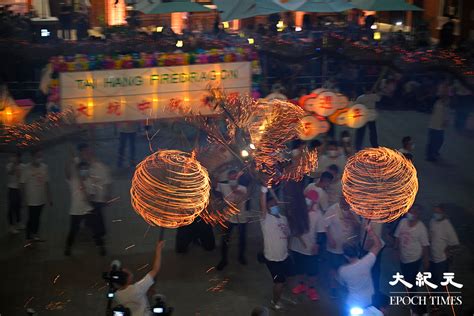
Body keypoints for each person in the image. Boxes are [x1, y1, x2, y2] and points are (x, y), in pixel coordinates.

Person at [289, 181, 326, 301]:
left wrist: (317, 244)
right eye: (307, 199)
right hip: (296, 246)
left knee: (312, 271)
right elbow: (292, 225)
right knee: (299, 268)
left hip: (310, 248)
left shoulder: (318, 215)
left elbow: (321, 232)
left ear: (315, 202)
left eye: (311, 200)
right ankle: (301, 285)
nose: (308, 201)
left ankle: (311, 288)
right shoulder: (298, 210)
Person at [64, 158, 106, 256]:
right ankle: (68, 247)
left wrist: (87, 194)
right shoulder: (74, 180)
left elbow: (92, 195)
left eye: (86, 169)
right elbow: (66, 173)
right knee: (73, 230)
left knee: (95, 228)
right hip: (75, 210)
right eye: (82, 169)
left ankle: (101, 247)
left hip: (88, 209)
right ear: (79, 171)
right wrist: (69, 161)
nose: (84, 171)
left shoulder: (90, 181)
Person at [260, 187, 291, 310]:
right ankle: (275, 302)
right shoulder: (266, 218)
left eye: (275, 203)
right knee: (279, 282)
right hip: (273, 258)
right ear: (267, 207)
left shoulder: (283, 218)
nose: (273, 205)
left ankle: (280, 295)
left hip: (284, 255)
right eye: (270, 204)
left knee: (285, 279)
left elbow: (287, 235)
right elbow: (262, 202)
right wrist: (264, 189)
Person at [394, 205, 429, 315]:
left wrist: (425, 260)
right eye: (410, 211)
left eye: (414, 212)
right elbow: (398, 237)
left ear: (418, 215)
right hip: (403, 258)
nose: (411, 213)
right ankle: (409, 298)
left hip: (414, 259)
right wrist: (396, 249)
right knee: (407, 279)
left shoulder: (421, 228)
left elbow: (425, 245)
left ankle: (412, 303)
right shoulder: (403, 222)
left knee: (411, 281)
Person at [114, 240, 165, 316]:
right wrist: (158, 250)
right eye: (127, 272)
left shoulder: (117, 295)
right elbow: (155, 269)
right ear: (128, 279)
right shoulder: (137, 288)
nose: (128, 270)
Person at [338, 225, 383, 312]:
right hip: (369, 300)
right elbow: (378, 245)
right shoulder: (367, 261)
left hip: (353, 303)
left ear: (346, 256)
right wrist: (371, 232)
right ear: (357, 251)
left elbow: (342, 284)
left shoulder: (342, 270)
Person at [325, 196, 360, 298]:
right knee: (334, 268)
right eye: (344, 202)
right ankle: (333, 288)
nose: (346, 204)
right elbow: (325, 225)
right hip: (335, 246)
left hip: (348, 247)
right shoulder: (333, 209)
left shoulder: (353, 210)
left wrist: (352, 218)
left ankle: (345, 285)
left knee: (346, 268)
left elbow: (359, 227)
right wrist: (330, 238)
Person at [77, 143, 112, 245]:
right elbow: (83, 180)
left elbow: (108, 181)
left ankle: (99, 236)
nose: (86, 154)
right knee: (94, 216)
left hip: (98, 198)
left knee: (96, 216)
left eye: (87, 152)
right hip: (89, 197)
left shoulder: (100, 166)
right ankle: (97, 234)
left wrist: (107, 195)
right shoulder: (83, 167)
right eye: (84, 153)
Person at [215, 170, 249, 270]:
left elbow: (247, 201)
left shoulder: (243, 188)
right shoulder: (223, 186)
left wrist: (248, 215)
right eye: (231, 178)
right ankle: (223, 260)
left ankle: (241, 256)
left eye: (235, 177)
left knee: (242, 238)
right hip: (228, 218)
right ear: (228, 178)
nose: (233, 179)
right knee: (225, 239)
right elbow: (215, 190)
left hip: (241, 217)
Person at [21, 148, 52, 242]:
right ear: (32, 157)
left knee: (37, 217)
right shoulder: (26, 168)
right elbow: (22, 184)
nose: (39, 158)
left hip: (41, 198)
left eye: (40, 156)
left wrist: (49, 197)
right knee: (31, 218)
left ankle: (35, 234)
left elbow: (46, 183)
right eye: (38, 156)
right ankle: (28, 238)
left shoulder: (44, 167)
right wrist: (24, 198)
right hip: (31, 199)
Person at [429, 204, 460, 285]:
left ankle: (440, 296)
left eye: (438, 212)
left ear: (442, 212)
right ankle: (433, 295)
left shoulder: (447, 225)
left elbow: (455, 243)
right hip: (432, 258)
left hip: (441, 260)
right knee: (432, 280)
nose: (436, 214)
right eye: (434, 212)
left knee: (440, 282)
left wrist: (446, 251)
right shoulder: (432, 221)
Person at [426, 82, 450, 162]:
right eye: (442, 89)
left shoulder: (445, 101)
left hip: (440, 125)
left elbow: (446, 112)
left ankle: (434, 152)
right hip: (434, 125)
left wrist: (446, 120)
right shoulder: (436, 100)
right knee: (433, 141)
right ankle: (430, 155)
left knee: (439, 140)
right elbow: (431, 109)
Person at [355, 86, 381, 151]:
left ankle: (358, 146)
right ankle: (374, 145)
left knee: (363, 132)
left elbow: (356, 106)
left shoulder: (360, 98)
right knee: (372, 132)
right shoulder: (374, 96)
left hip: (366, 115)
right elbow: (379, 98)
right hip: (370, 115)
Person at [6, 152, 24, 234]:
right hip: (12, 189)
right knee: (11, 208)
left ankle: (19, 223)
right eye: (13, 156)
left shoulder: (22, 166)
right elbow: (10, 172)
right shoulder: (9, 165)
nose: (15, 158)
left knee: (18, 207)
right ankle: (11, 226)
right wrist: (14, 164)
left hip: (19, 189)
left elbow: (22, 177)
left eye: (16, 157)